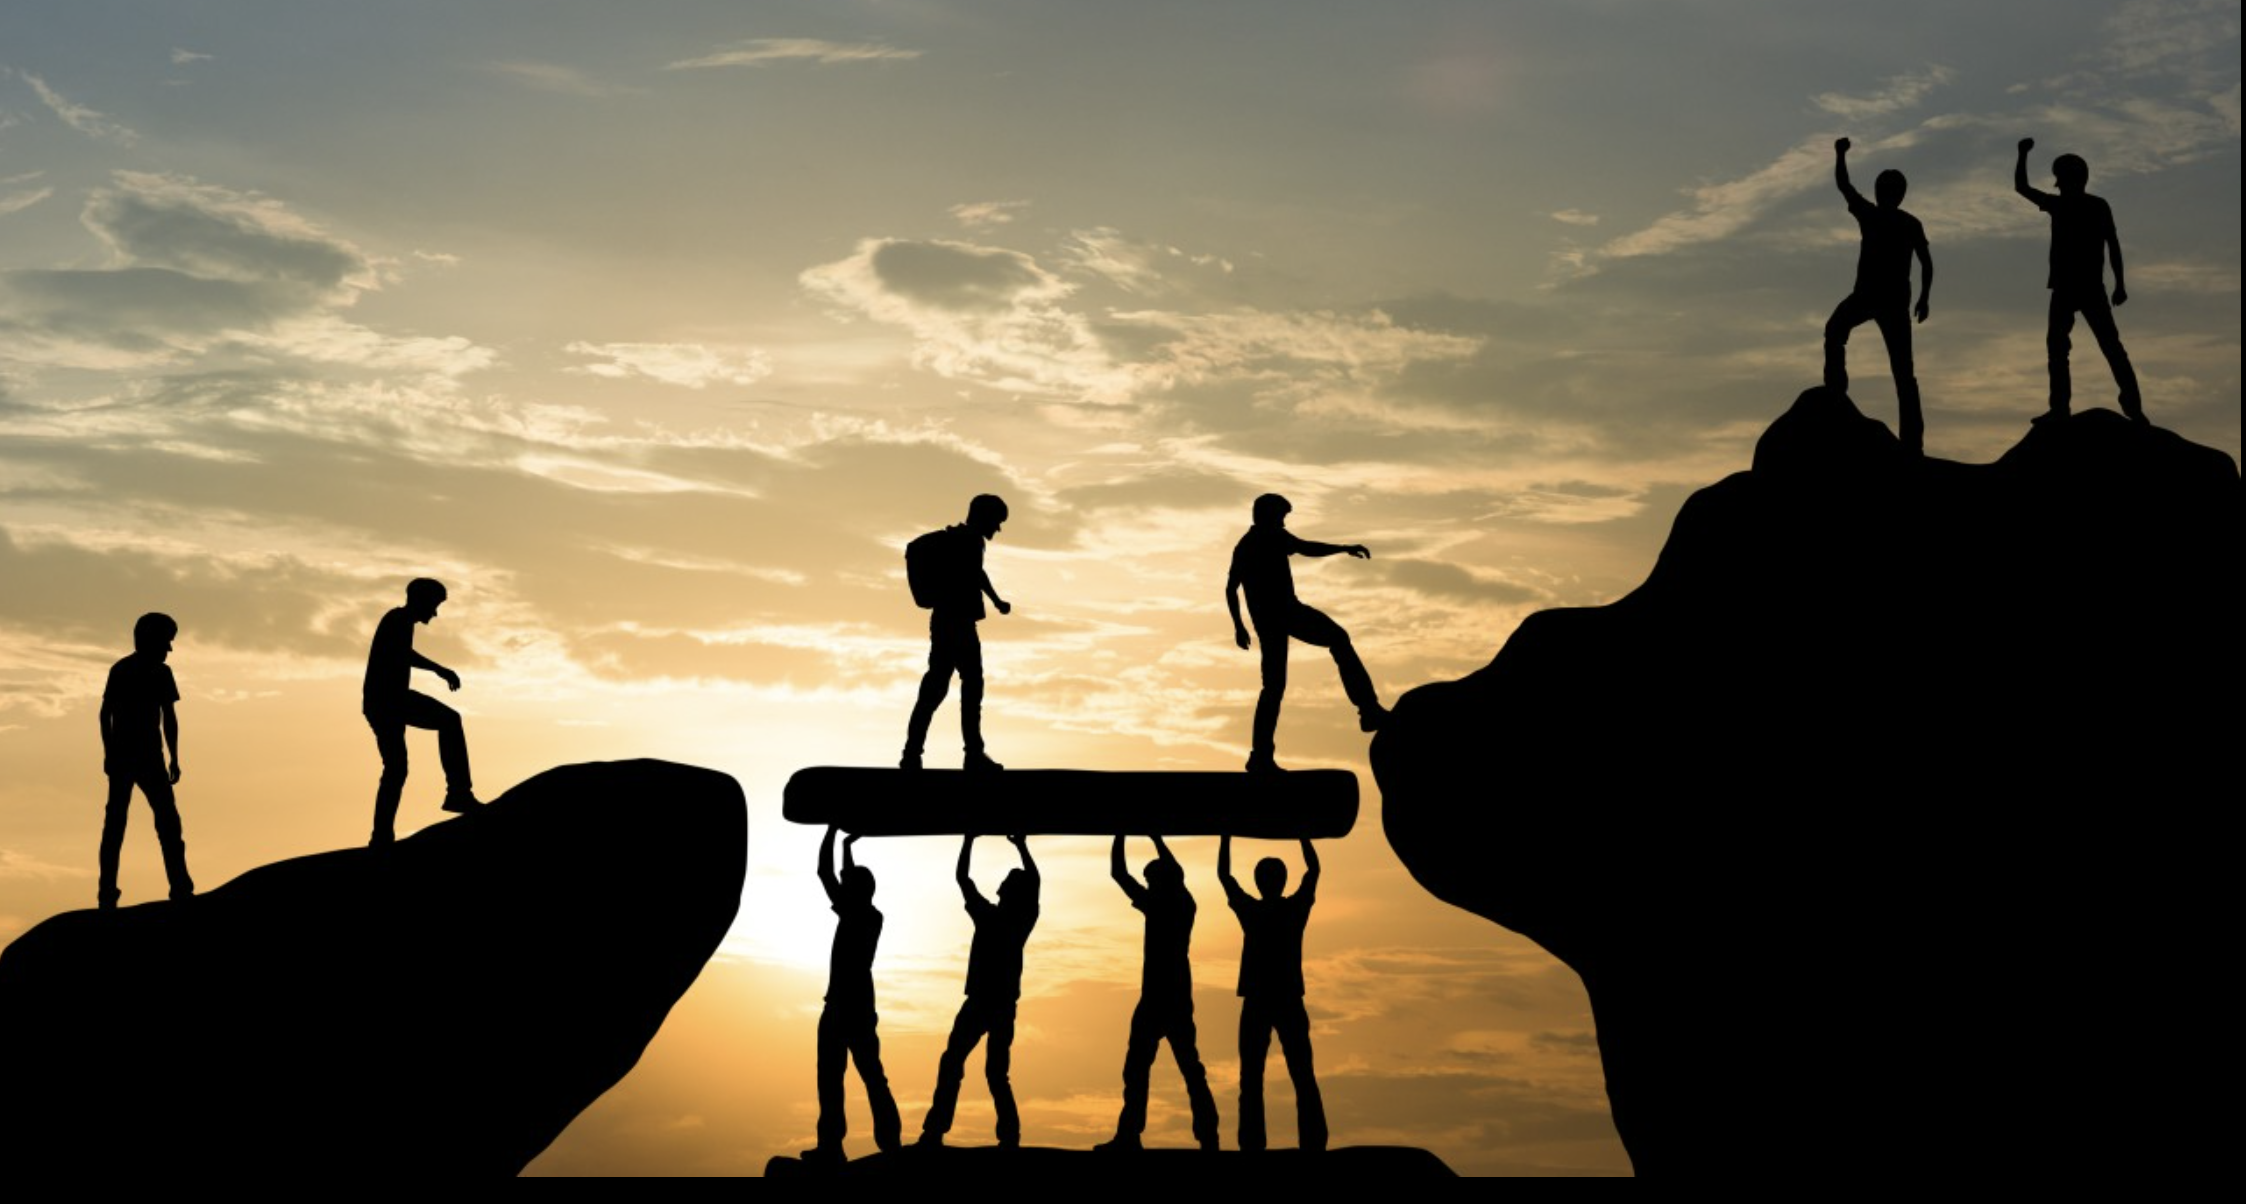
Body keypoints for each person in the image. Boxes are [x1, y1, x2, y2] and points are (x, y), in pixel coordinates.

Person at [1226, 494, 1385, 773]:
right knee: (1337, 639)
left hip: (1270, 619)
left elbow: (1232, 587)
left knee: (1274, 687)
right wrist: (1238, 626)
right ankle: (1368, 709)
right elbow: (1305, 548)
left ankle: (1260, 756)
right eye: (1281, 517)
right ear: (1268, 516)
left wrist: (1240, 625)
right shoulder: (1262, 539)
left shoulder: (1255, 540)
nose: (1283, 523)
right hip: (1284, 613)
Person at [1096, 835, 1220, 1152]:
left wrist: (1123, 834)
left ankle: (1135, 1135)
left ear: (1161, 881)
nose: (1148, 885)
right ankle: (1205, 1135)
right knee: (1176, 1068)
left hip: (1160, 998)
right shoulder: (1182, 903)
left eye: (1151, 880)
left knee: (1155, 1068)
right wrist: (1154, 836)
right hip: (1170, 996)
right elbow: (1169, 871)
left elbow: (1119, 873)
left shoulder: (1163, 904)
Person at [919, 834, 1040, 1149]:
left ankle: (939, 1131)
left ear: (1005, 891)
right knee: (983, 1069)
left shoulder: (1003, 917)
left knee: (974, 1067)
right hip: (993, 1004)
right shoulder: (1012, 919)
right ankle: (999, 1134)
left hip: (988, 1003)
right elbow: (965, 879)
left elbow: (964, 878)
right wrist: (1018, 845)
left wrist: (970, 839)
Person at [2014, 138, 2143, 423]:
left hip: (2083, 287)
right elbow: (2021, 188)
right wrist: (2119, 284)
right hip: (2069, 287)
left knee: (2104, 346)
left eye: (2060, 179)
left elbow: (2112, 244)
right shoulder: (2073, 205)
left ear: (2070, 179)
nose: (2059, 185)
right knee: (2064, 347)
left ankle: (2131, 407)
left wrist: (2120, 283)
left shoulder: (2082, 206)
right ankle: (2061, 408)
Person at [1823, 137, 1934, 453]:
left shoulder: (1893, 220)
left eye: (1885, 189)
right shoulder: (1888, 218)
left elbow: (1926, 262)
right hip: (1874, 297)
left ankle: (1911, 442)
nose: (1881, 193)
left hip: (1885, 300)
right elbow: (1844, 185)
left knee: (1902, 372)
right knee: (1837, 331)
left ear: (1892, 193)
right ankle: (1836, 396)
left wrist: (1925, 297)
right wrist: (1840, 155)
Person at [1219, 833, 1326, 1153]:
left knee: (1253, 1076)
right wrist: (1303, 836)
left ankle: (1253, 1143)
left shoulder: (1253, 911)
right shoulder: (1293, 909)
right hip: (1286, 998)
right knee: (1300, 1073)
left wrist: (1225, 835)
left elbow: (1224, 876)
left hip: (1261, 1000)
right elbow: (1313, 871)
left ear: (1259, 882)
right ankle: (1312, 1141)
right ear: (1281, 881)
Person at [807, 826, 902, 1163]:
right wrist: (847, 845)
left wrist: (832, 830)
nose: (842, 886)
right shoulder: (868, 913)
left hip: (846, 1007)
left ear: (856, 890)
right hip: (852, 1005)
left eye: (848, 884)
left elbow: (824, 871)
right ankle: (866, 1143)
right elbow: (845, 877)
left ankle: (841, 1145)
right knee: (853, 1076)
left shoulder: (857, 913)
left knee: (843, 1077)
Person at [362, 578, 480, 847]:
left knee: (396, 768)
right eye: (434, 605)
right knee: (449, 721)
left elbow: (403, 653)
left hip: (382, 702)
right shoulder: (398, 619)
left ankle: (381, 836)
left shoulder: (400, 621)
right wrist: (440, 670)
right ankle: (459, 793)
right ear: (421, 601)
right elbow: (402, 654)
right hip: (389, 701)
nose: (435, 613)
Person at [902, 494, 1012, 771]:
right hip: (956, 623)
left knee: (939, 687)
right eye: (997, 521)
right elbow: (976, 575)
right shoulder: (970, 541)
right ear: (984, 517)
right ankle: (970, 754)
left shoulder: (965, 540)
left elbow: (978, 574)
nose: (998, 528)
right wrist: (996, 601)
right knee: (963, 686)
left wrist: (996, 600)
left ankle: (914, 753)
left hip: (950, 622)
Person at [96, 612, 194, 908]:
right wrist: (110, 753)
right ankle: (110, 892)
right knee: (125, 824)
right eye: (166, 641)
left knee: (160, 823)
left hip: (144, 757)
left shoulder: (153, 672)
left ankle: (178, 886)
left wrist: (174, 757)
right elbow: (106, 714)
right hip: (136, 758)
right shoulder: (128, 670)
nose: (170, 649)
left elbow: (168, 718)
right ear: (151, 639)